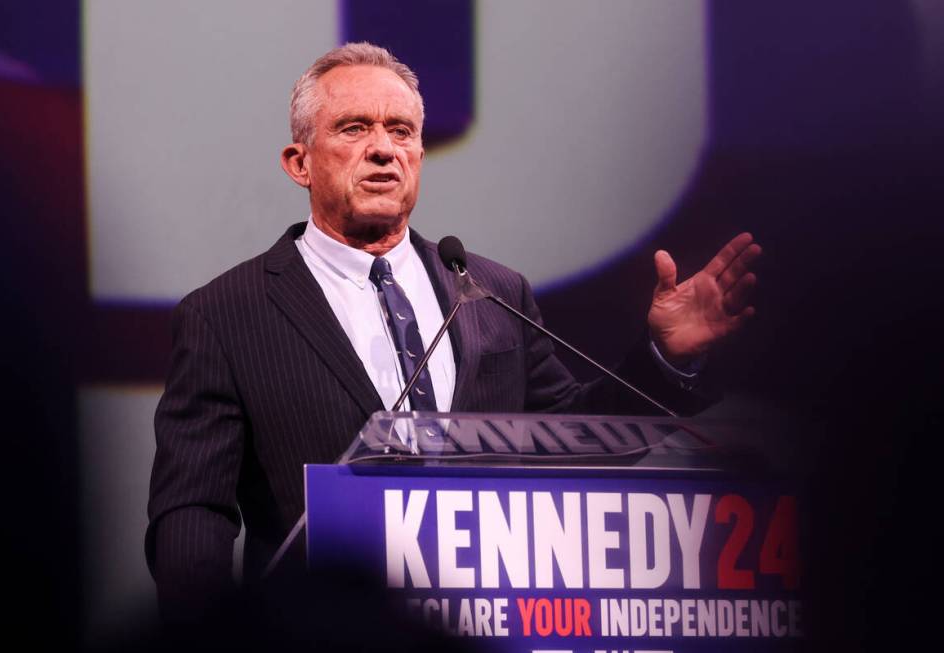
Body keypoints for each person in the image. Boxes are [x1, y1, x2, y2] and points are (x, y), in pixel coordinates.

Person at [146, 42, 760, 618]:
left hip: (491, 626)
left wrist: (665, 358)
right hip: (323, 630)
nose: (384, 149)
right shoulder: (227, 312)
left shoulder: (493, 291)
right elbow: (192, 509)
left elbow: (578, 444)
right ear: (299, 162)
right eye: (354, 128)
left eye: (401, 131)